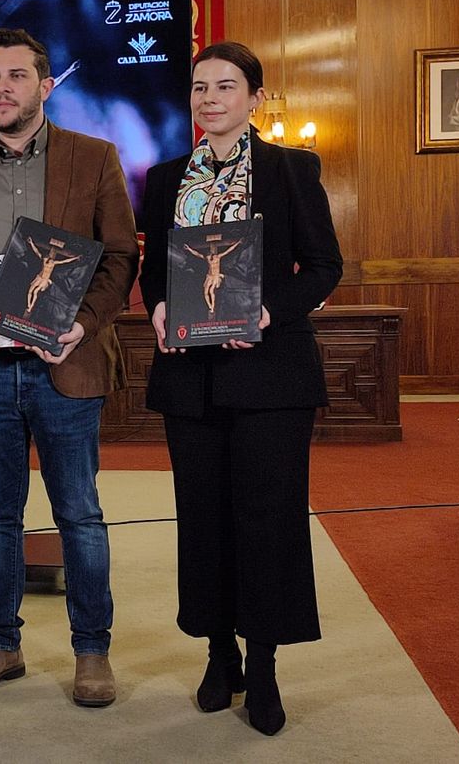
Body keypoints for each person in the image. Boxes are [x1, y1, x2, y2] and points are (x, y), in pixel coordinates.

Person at [0, 28, 138, 704]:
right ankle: (0, 644)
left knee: (80, 513)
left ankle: (92, 652)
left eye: (16, 76)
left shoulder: (94, 157)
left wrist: (79, 323)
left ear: (45, 85)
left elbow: (120, 256)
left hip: (63, 364)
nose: (2, 88)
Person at [137, 40, 342, 735]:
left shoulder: (289, 170)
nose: (210, 98)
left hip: (270, 373)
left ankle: (264, 660)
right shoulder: (165, 178)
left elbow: (322, 267)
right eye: (199, 87)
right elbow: (155, 273)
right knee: (201, 516)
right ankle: (219, 652)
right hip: (190, 377)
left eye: (226, 86)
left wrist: (266, 310)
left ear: (255, 97)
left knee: (268, 517)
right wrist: (159, 307)